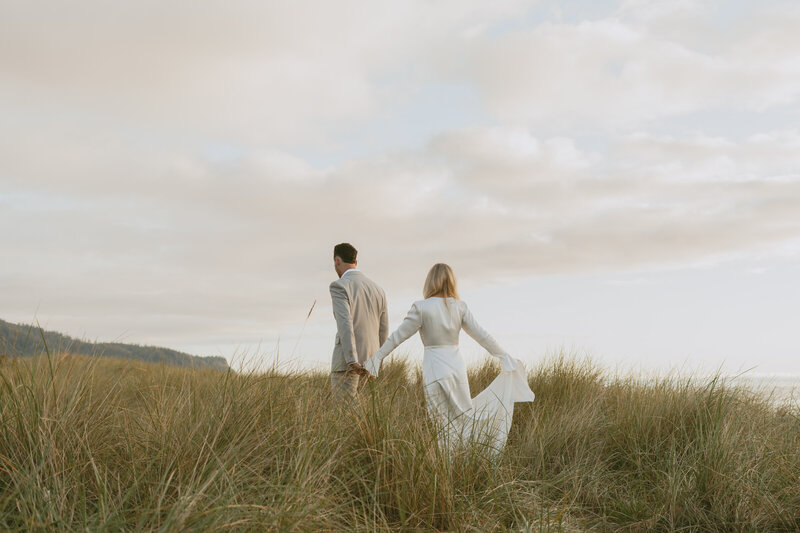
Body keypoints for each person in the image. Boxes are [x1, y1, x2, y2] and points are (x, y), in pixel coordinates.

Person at [364, 263, 535, 451]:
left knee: (442, 424)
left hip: (435, 369)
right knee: (462, 418)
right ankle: (464, 462)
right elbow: (483, 336)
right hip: (456, 369)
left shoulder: (421, 307)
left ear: (430, 282)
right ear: (452, 281)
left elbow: (397, 337)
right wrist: (504, 356)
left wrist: (376, 358)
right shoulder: (459, 307)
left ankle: (448, 465)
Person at [329, 242, 388, 403]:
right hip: (370, 363)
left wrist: (351, 359)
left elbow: (345, 324)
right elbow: (383, 330)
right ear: (356, 262)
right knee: (361, 419)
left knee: (342, 417)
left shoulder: (339, 286)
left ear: (337, 261)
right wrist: (376, 362)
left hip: (347, 364)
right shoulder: (378, 289)